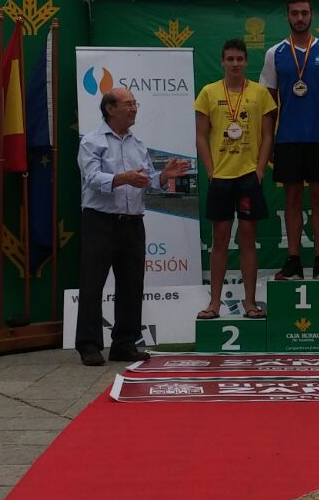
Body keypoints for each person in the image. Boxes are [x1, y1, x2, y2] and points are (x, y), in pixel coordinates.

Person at [75, 86, 191, 366]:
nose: (134, 108)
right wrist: (121, 178)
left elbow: (147, 181)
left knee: (131, 284)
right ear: (110, 109)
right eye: (128, 104)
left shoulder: (138, 144)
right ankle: (89, 345)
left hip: (132, 224)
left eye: (135, 103)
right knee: (92, 284)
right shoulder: (91, 141)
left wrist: (163, 176)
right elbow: (92, 178)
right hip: (100, 220)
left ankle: (124, 344)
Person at [259, 0, 319, 280]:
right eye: (294, 13)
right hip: (287, 138)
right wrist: (268, 140)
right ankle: (293, 261)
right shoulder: (274, 54)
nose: (299, 18)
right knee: (292, 199)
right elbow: (268, 104)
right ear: (287, 16)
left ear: (312, 15)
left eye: (304, 13)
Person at [193, 39, 277, 320]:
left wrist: (260, 170)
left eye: (240, 59)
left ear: (246, 61)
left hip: (248, 176)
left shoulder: (260, 93)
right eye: (230, 59)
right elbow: (200, 136)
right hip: (221, 177)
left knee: (248, 239)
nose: (235, 64)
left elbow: (268, 135)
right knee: (219, 240)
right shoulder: (208, 92)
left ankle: (250, 303)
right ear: (222, 62)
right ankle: (214, 303)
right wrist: (210, 170)